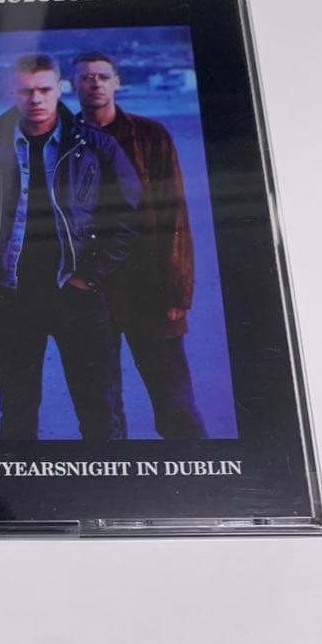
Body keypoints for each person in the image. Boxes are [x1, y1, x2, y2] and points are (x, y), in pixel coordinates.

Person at [0, 54, 142, 442]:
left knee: (98, 412)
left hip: (77, 295)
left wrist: (89, 276)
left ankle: (106, 483)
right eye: (26, 91)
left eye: (44, 89)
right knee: (16, 414)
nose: (36, 99)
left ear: (59, 88)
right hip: (11, 296)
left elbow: (129, 218)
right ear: (12, 93)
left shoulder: (96, 145)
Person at [71, 52, 206, 440]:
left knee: (176, 405)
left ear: (117, 82)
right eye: (86, 78)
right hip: (90, 289)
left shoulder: (150, 135)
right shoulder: (63, 139)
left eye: (102, 76)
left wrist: (178, 291)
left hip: (150, 287)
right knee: (102, 413)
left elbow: (174, 215)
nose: (95, 83)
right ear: (73, 85)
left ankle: (198, 474)